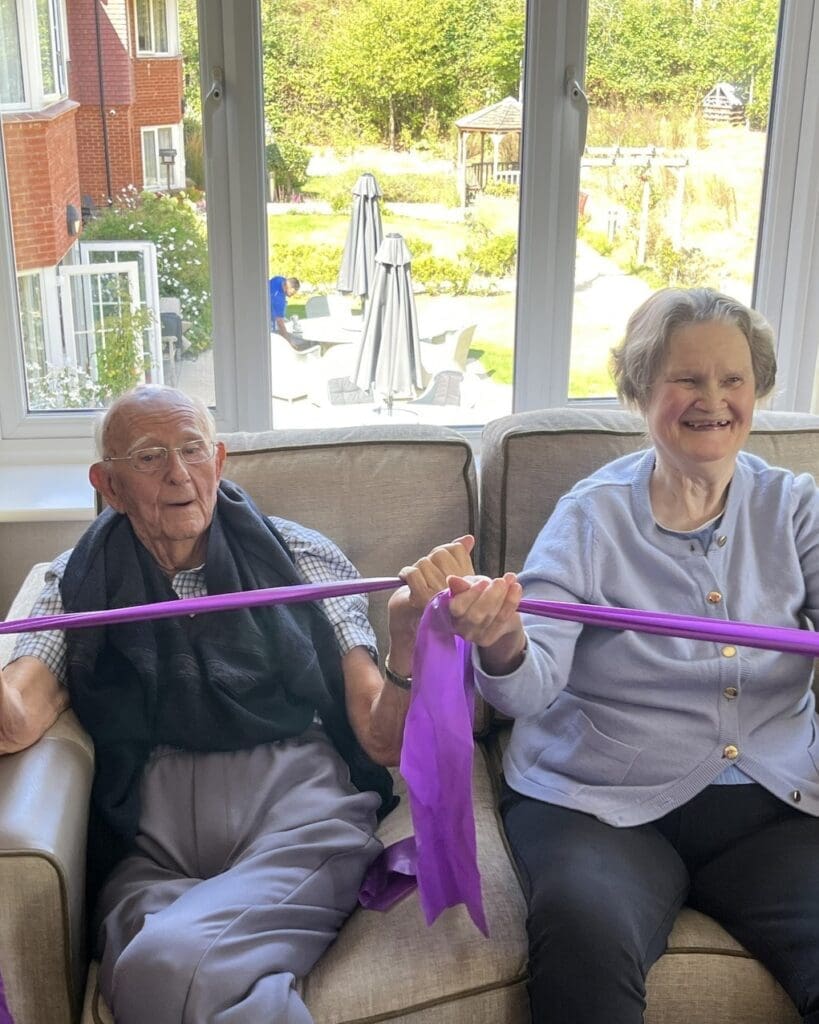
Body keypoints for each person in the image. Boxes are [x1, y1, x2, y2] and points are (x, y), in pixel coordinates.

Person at [0, 384, 475, 1024]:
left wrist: (405, 642)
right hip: (149, 835)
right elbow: (15, 718)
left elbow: (380, 739)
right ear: (107, 485)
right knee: (183, 987)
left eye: (193, 450)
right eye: (147, 457)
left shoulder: (302, 555)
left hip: (297, 809)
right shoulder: (70, 581)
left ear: (219, 462)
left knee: (157, 966)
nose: (178, 474)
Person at [444, 287, 819, 1023]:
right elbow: (526, 689)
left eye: (732, 379)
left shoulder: (794, 505)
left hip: (772, 804)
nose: (712, 399)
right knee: (583, 938)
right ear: (641, 388)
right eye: (686, 378)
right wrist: (501, 638)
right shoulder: (590, 514)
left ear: (757, 389)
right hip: (597, 807)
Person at [269, 274, 312, 351]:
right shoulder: (279, 300)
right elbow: (280, 323)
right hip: (269, 323)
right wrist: (288, 342)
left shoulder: (278, 279)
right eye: (293, 292)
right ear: (289, 287)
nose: (293, 295)